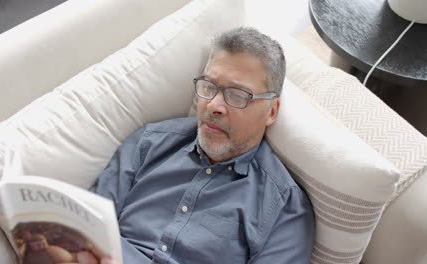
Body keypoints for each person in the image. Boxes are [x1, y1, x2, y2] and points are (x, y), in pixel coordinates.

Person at [92, 27, 314, 264]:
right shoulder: (150, 142)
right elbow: (86, 224)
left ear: (271, 111)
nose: (213, 106)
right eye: (209, 87)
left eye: (237, 95)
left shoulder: (284, 210)